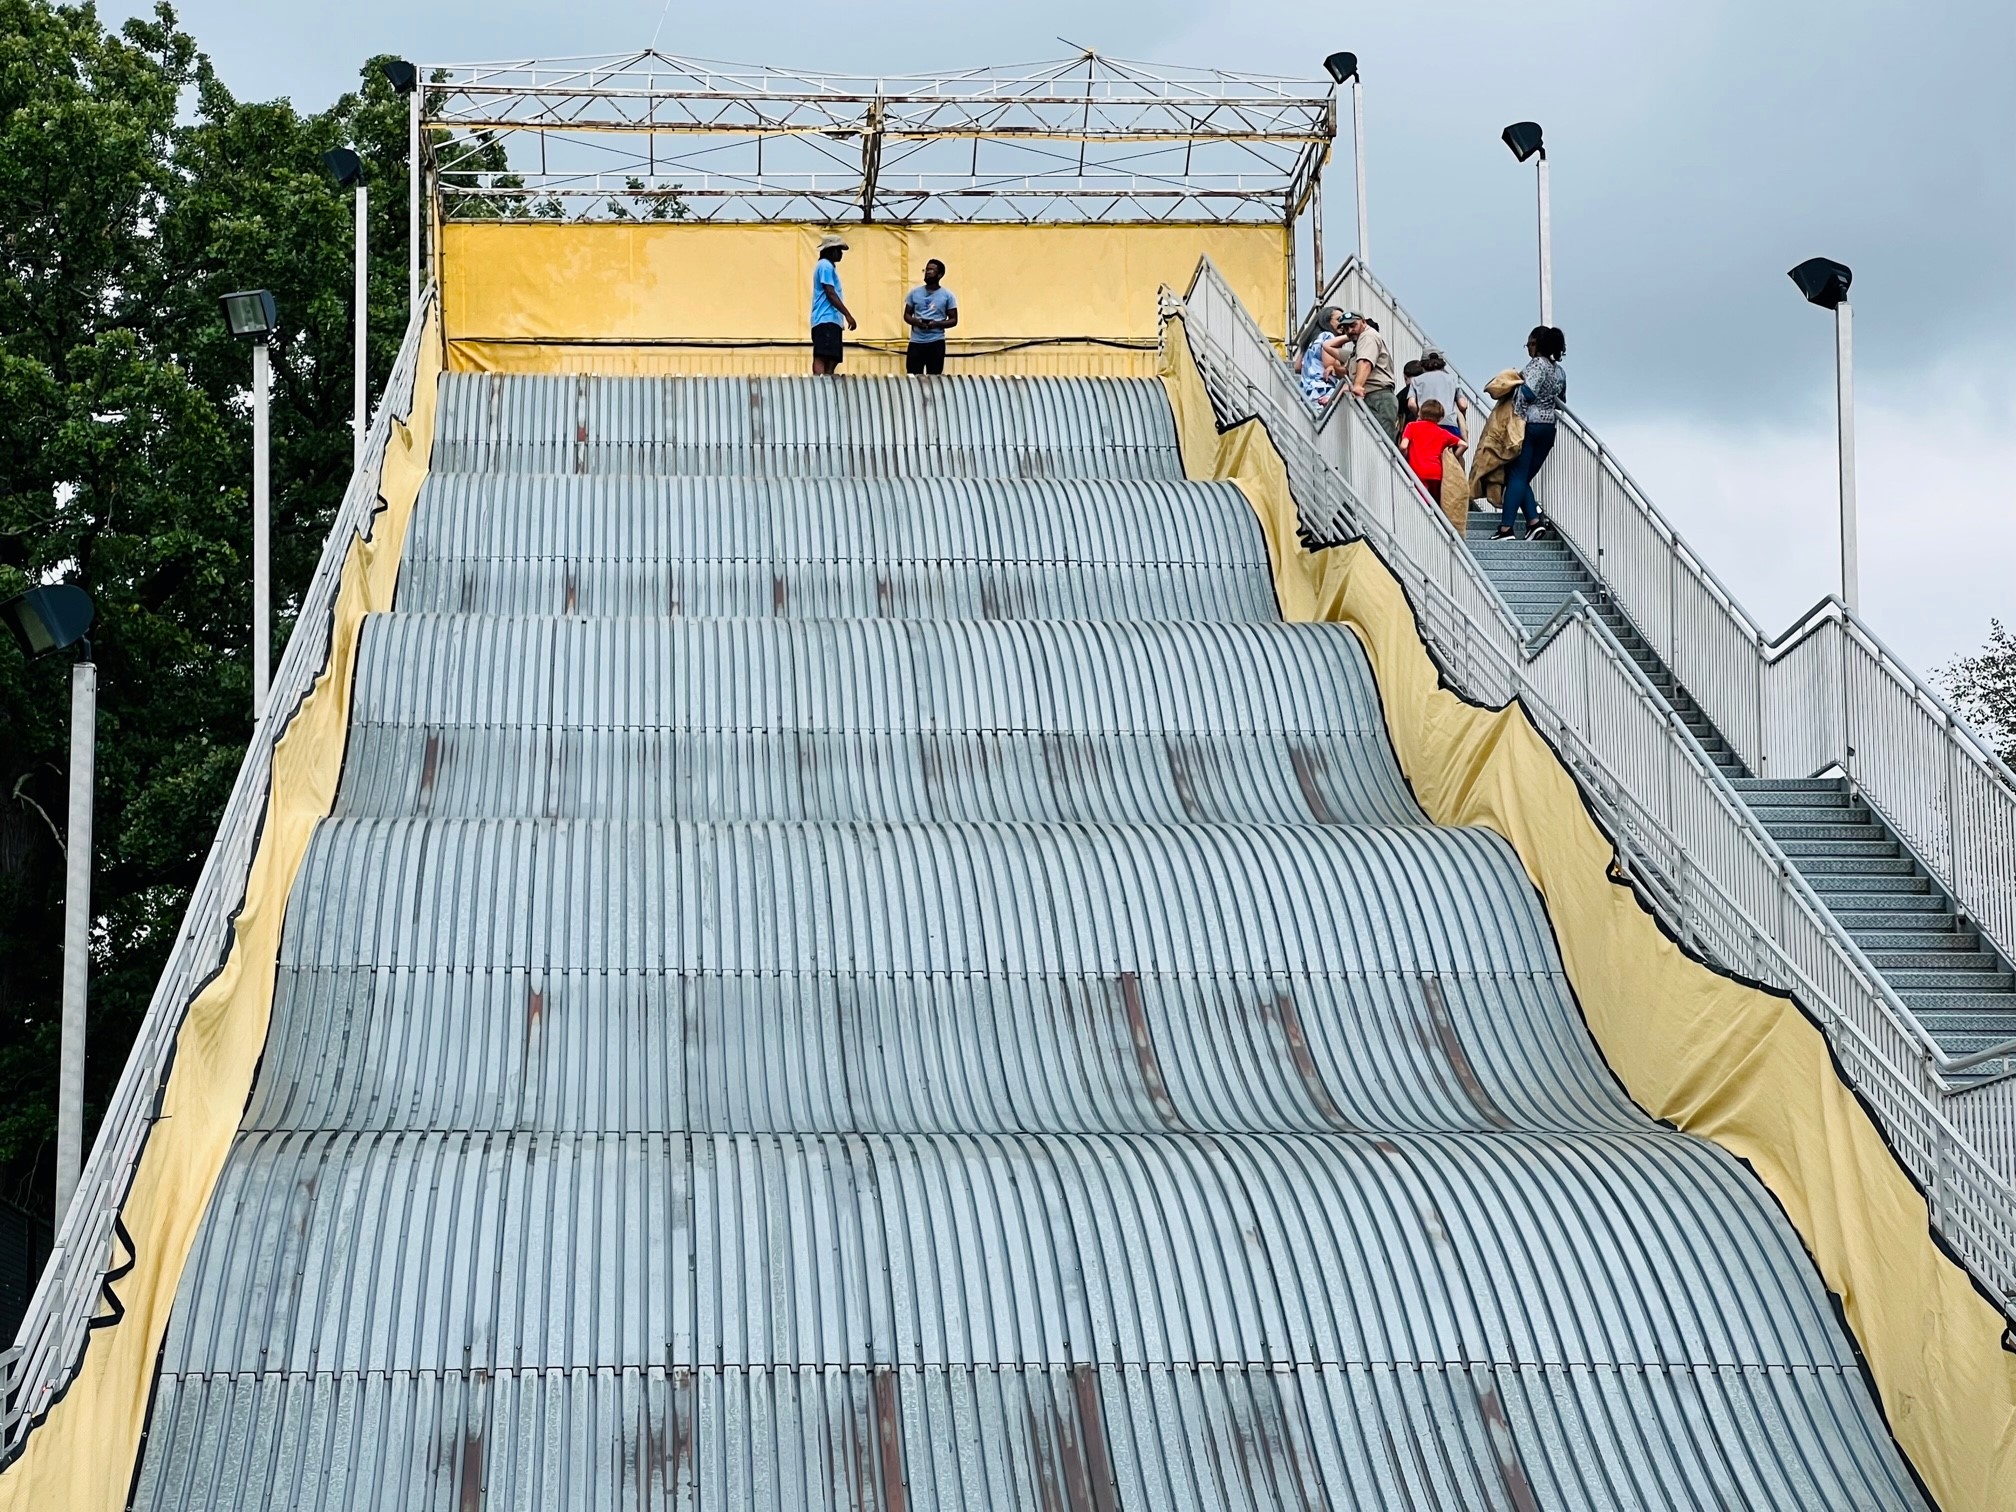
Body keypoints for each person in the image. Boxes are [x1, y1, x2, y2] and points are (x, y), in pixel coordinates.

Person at [1497, 325, 1567, 539]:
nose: (1527, 348)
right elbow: (1561, 400)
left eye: (1529, 343)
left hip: (1530, 424)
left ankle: (1506, 528)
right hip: (1548, 427)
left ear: (1537, 345)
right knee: (1523, 477)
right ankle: (1533, 522)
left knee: (1516, 475)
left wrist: (1512, 387)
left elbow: (1527, 392)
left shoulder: (1538, 365)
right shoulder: (1559, 371)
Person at [1337, 311, 1399, 438]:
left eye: (1353, 325)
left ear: (1363, 322)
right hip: (1372, 396)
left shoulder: (1368, 337)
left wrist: (1358, 385)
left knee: (1383, 442)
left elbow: (1365, 362)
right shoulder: (1361, 341)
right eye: (1346, 328)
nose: (1349, 330)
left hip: (1378, 395)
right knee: (1376, 440)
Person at [809, 234, 857, 376]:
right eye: (838, 250)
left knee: (832, 356)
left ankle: (827, 379)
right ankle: (820, 382)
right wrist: (847, 314)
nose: (840, 253)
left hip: (831, 319)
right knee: (822, 355)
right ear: (831, 250)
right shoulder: (825, 266)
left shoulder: (828, 267)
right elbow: (830, 292)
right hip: (826, 318)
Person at [902, 258, 959, 375]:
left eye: (931, 270)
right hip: (916, 342)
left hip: (936, 342)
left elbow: (953, 320)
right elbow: (907, 315)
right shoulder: (914, 293)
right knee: (913, 376)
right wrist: (917, 322)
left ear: (940, 275)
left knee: (934, 378)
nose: (927, 272)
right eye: (926, 269)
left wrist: (937, 324)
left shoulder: (948, 296)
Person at [1400, 399, 1467, 497]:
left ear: (1420, 413)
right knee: (1436, 501)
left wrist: (1406, 456)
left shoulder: (1411, 426)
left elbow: (1403, 446)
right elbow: (1464, 445)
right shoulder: (1442, 432)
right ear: (1440, 418)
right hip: (1437, 473)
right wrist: (1455, 457)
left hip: (1417, 471)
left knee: (1421, 501)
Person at [1410, 350, 1468, 436]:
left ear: (1422, 364)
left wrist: (1419, 414)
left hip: (1425, 424)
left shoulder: (1416, 380)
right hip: (1449, 424)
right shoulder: (1452, 379)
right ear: (1442, 364)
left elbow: (1411, 404)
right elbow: (1463, 405)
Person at [1297, 307, 1342, 406]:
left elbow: (1297, 367)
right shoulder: (1328, 336)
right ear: (1326, 321)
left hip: (1308, 392)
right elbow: (1329, 364)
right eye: (1339, 320)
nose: (1343, 323)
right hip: (1323, 390)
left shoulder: (1311, 340)